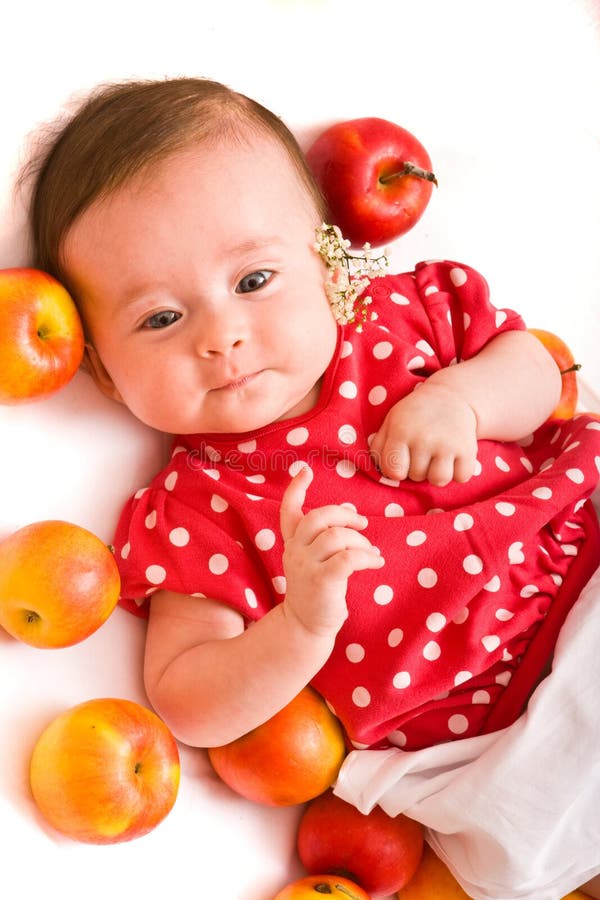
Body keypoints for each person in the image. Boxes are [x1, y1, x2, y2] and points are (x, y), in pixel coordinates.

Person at [26, 77, 600, 898]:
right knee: (537, 859)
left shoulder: (401, 318)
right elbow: (188, 698)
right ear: (108, 379)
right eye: (160, 319)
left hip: (584, 588)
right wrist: (297, 628)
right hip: (490, 748)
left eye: (253, 281)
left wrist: (462, 400)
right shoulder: (198, 508)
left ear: (327, 259)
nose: (222, 336)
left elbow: (538, 373)